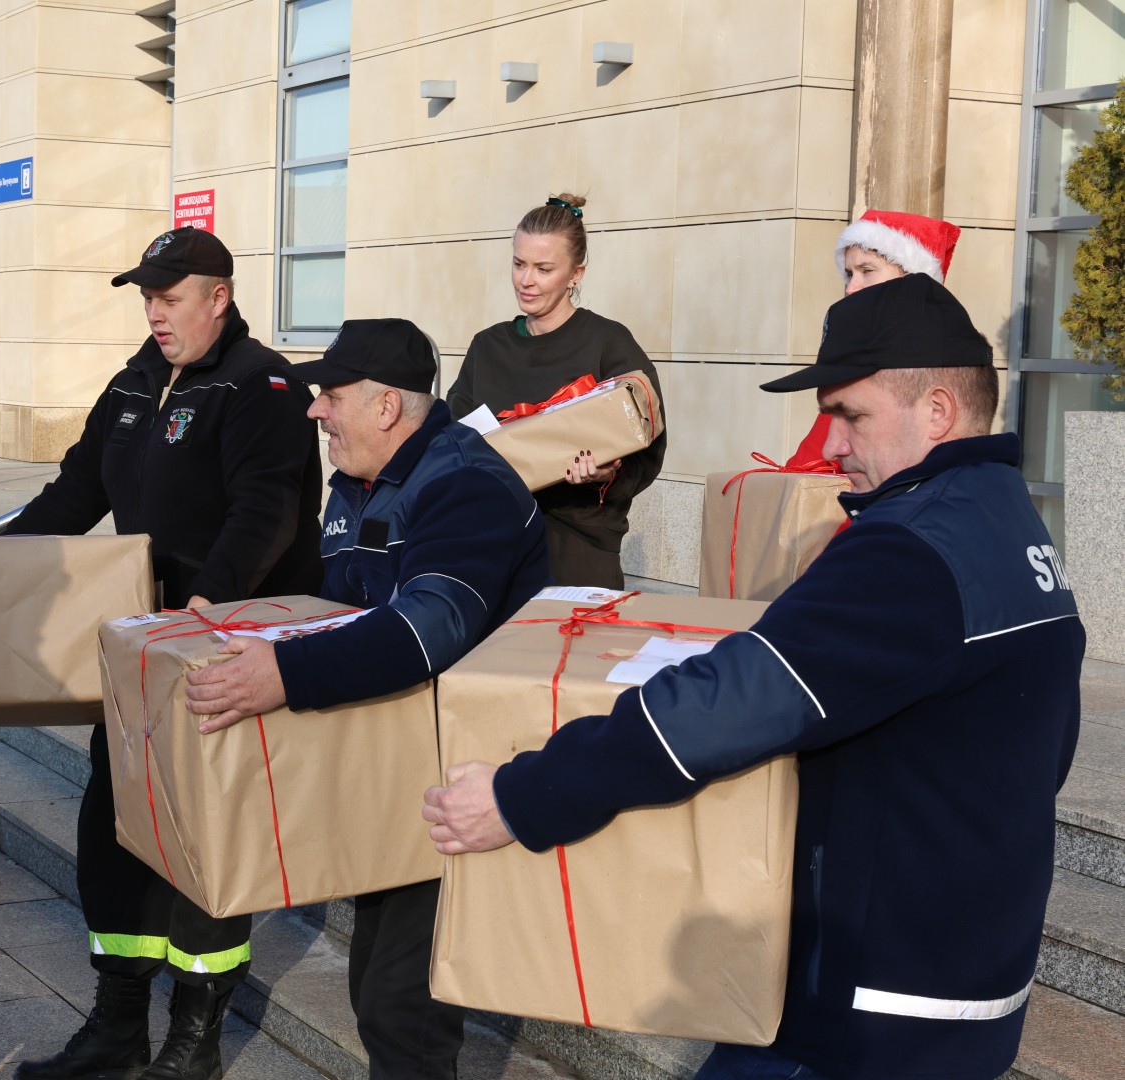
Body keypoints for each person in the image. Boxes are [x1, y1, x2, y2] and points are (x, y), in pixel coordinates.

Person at [423, 274, 1084, 1080]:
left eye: (850, 415)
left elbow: (724, 706)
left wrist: (520, 797)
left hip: (868, 1009)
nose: (830, 446)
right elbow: (1048, 748)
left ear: (937, 411)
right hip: (961, 983)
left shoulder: (911, 550)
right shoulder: (1010, 523)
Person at [184, 318, 550, 1080]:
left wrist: (283, 674)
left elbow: (426, 630)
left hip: (465, 776)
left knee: (401, 1002)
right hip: (394, 767)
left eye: (332, 395)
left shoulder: (463, 483)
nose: (315, 409)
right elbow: (335, 607)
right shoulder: (359, 481)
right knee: (375, 985)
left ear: (387, 408)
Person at [5, 227, 323, 1080]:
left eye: (171, 297)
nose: (156, 313)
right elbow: (76, 489)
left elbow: (266, 513)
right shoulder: (133, 382)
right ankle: (117, 1026)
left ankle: (195, 1037)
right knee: (113, 830)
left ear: (219, 297)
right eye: (148, 297)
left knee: (203, 843)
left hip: (220, 650)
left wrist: (201, 609)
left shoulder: (261, 386)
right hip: (139, 646)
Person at [446, 193, 665, 588]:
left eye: (543, 269)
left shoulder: (608, 343)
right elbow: (453, 439)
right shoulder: (487, 347)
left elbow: (649, 449)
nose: (526, 280)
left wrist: (607, 474)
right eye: (519, 264)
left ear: (576, 274)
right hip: (493, 544)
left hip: (577, 549)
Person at [791, 208, 964, 465]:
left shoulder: (932, 357)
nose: (851, 288)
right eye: (850, 274)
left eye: (867, 271)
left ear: (912, 278)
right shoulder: (863, 348)